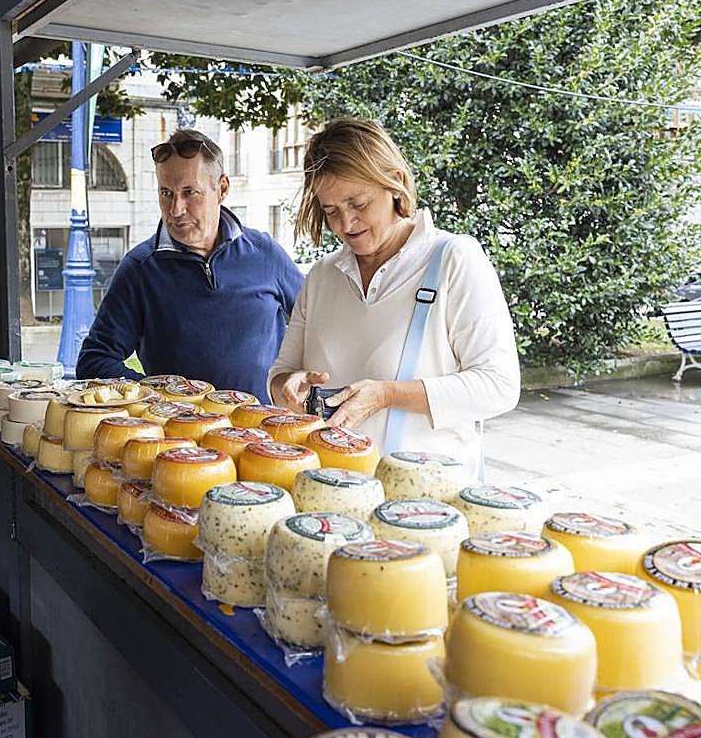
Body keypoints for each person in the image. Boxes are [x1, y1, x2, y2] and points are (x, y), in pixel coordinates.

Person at [267, 117, 520, 475]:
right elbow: (281, 373)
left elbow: (500, 386)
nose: (344, 225)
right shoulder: (323, 276)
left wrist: (387, 394)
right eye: (331, 211)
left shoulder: (453, 259)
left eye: (357, 203)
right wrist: (286, 387)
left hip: (424, 502)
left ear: (396, 184)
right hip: (329, 491)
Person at [76, 128, 303, 402]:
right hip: (179, 439)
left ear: (221, 189)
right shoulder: (140, 268)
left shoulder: (264, 252)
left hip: (262, 435)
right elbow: (94, 361)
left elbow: (316, 328)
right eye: (166, 193)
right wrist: (161, 396)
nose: (176, 209)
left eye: (189, 192)